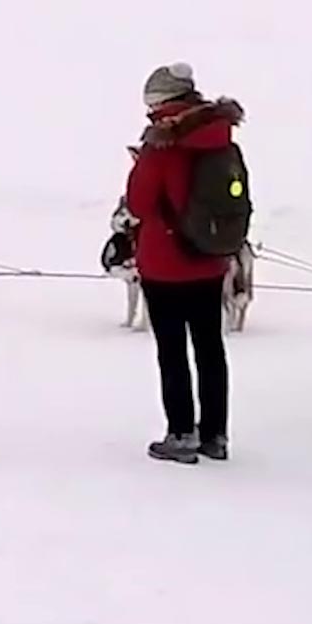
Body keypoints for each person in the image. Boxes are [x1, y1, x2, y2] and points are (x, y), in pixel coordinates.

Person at [123, 62, 244, 464]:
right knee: (211, 349)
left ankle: (181, 433)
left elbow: (139, 205)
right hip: (210, 258)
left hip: (165, 264)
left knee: (172, 351)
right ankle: (215, 435)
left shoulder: (162, 144)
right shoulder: (220, 136)